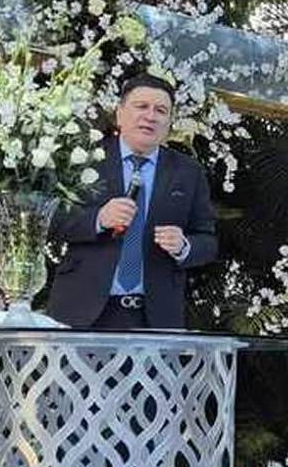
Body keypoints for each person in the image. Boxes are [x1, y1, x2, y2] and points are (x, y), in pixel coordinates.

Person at [47, 73, 217, 329]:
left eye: (161, 110)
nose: (150, 116)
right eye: (141, 107)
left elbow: (208, 240)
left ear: (169, 122)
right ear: (120, 113)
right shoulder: (86, 158)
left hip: (156, 317)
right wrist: (98, 219)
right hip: (82, 311)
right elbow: (50, 219)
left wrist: (184, 246)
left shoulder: (187, 172)